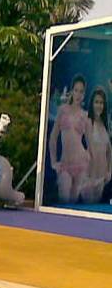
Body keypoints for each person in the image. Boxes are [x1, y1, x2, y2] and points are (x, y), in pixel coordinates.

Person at [49, 75, 91, 203]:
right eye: (76, 90)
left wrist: (89, 157)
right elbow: (53, 137)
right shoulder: (63, 110)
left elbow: (90, 143)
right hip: (65, 164)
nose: (78, 94)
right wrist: (53, 161)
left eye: (81, 92)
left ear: (84, 94)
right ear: (72, 91)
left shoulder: (85, 115)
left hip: (81, 163)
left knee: (73, 203)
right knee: (64, 197)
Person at [80, 87, 112, 203]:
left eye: (101, 103)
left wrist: (109, 171)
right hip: (88, 177)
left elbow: (109, 151)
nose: (99, 105)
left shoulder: (105, 124)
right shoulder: (86, 121)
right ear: (92, 104)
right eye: (96, 102)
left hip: (102, 178)